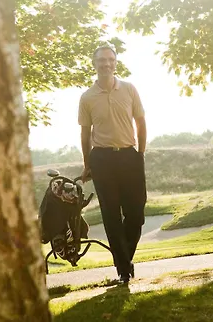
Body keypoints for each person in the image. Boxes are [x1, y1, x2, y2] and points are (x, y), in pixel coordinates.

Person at [78, 45, 147, 284]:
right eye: (101, 60)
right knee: (111, 215)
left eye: (110, 60)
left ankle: (124, 260)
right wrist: (87, 163)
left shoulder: (129, 89)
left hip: (129, 156)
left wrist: (140, 154)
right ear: (94, 64)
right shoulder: (87, 97)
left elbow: (141, 122)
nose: (106, 64)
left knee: (136, 214)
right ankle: (124, 270)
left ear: (115, 63)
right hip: (102, 159)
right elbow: (85, 134)